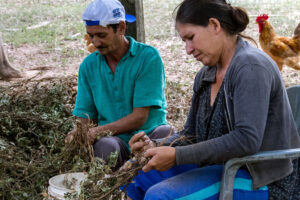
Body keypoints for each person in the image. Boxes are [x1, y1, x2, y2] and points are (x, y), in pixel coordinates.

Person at [126, 0, 300, 199]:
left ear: (215, 25)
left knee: (161, 196)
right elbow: (190, 134)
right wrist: (156, 147)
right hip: (221, 166)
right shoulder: (206, 75)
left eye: (191, 38)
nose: (188, 49)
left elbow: (246, 140)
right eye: (184, 41)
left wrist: (177, 156)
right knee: (136, 173)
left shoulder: (250, 67)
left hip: (261, 178)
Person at [66, 0, 171, 169]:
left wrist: (95, 132)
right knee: (105, 148)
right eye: (91, 36)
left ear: (121, 28)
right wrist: (78, 134)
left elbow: (139, 117)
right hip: (114, 140)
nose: (95, 42)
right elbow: (85, 116)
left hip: (147, 134)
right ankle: (114, 187)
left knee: (166, 135)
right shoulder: (89, 65)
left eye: (101, 35)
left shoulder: (148, 57)